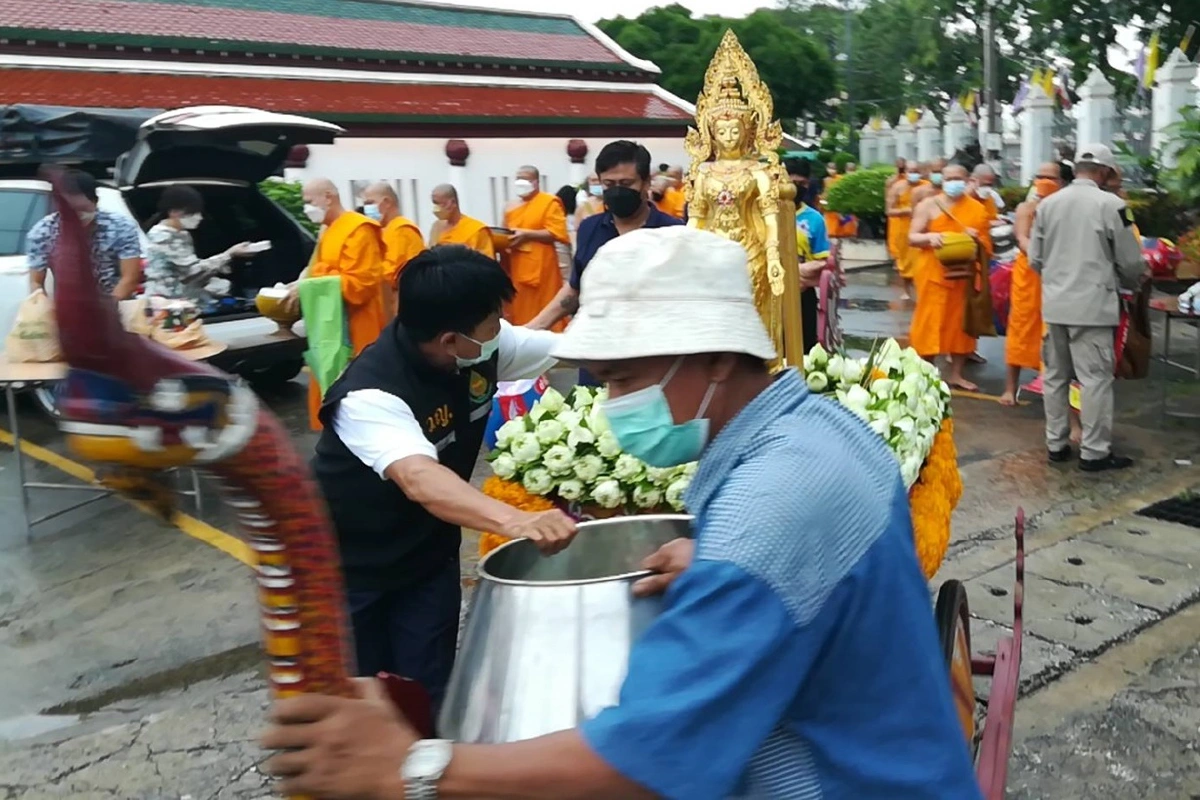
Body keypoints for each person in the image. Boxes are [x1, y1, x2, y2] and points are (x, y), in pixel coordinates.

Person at [262, 226, 982, 800]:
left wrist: (415, 769)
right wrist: (714, 555)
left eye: (625, 380)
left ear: (718, 359)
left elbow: (646, 764)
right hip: (361, 560)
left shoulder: (769, 512)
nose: (612, 408)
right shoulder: (820, 431)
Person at [309, 245, 577, 712]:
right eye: (492, 322)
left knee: (429, 693)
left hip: (426, 558)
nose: (501, 331)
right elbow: (419, 477)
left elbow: (569, 348)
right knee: (360, 702)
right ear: (451, 339)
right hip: (347, 569)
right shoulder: (370, 394)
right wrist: (516, 521)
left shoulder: (482, 350)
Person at [1030, 144, 1145, 471]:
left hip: (1055, 306)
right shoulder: (1114, 205)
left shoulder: (1048, 205)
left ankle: (1056, 444)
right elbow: (1131, 262)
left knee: (1055, 378)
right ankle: (1094, 452)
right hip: (1093, 308)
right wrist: (1129, 282)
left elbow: (1035, 259)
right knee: (1094, 380)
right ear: (1106, 172)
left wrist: (1057, 281)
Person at [526, 140, 682, 341]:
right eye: (609, 184)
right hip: (597, 344)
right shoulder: (590, 228)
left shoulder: (672, 232)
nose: (617, 191)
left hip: (652, 346)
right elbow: (577, 287)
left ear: (646, 183)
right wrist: (533, 328)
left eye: (626, 184)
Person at [288, 178, 388, 431]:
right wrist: (300, 285)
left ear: (328, 197)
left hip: (356, 329)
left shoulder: (359, 228)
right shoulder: (329, 230)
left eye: (309, 202)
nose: (306, 208)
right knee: (331, 398)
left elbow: (361, 284)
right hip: (328, 328)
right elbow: (315, 273)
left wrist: (311, 284)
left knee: (357, 402)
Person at [907, 162, 992, 392]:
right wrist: (931, 237)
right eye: (949, 178)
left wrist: (975, 238)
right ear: (942, 180)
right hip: (933, 273)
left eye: (958, 179)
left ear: (966, 182)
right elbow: (912, 237)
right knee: (930, 323)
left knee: (960, 326)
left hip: (963, 276)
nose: (953, 182)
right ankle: (926, 372)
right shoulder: (927, 205)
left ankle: (956, 375)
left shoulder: (977, 209)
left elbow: (987, 247)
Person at [1000, 161, 1066, 407]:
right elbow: (1021, 237)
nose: (1044, 181)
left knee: (1052, 330)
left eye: (1050, 177)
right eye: (1040, 176)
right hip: (1030, 272)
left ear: (1061, 182)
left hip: (1058, 274)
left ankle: (1050, 384)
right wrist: (1042, 256)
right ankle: (1010, 388)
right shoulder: (1026, 208)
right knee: (1021, 326)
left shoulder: (1066, 207)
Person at [27, 169, 142, 300]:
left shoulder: (120, 227)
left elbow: (130, 277)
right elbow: (36, 282)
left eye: (82, 209)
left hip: (117, 303)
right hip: (69, 306)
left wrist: (108, 309)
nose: (77, 216)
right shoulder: (43, 231)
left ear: (95, 202)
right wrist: (41, 303)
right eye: (70, 211)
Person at [144, 185, 253, 302]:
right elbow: (191, 273)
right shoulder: (162, 236)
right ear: (174, 212)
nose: (200, 218)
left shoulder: (182, 234)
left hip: (183, 299)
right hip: (166, 303)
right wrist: (229, 254)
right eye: (193, 213)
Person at [502, 166, 569, 328]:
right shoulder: (510, 207)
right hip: (517, 265)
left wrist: (528, 234)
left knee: (546, 303)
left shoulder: (548, 202)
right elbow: (504, 232)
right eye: (518, 179)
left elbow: (558, 233)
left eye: (525, 179)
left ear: (536, 182)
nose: (521, 183)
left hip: (543, 267)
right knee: (520, 305)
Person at [787, 157, 831, 353]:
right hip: (767, 296)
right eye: (791, 182)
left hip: (801, 295)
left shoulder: (814, 219)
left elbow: (822, 261)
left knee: (804, 351)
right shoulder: (762, 215)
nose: (796, 188)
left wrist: (796, 272)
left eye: (802, 184)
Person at [362, 181, 423, 319]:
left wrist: (364, 276)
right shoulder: (384, 230)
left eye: (370, 203)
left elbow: (390, 272)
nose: (367, 209)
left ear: (387, 202)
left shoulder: (403, 230)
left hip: (403, 307)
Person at [886, 160, 925, 300]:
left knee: (922, 260)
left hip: (922, 228)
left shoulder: (926, 187)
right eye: (910, 171)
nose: (913, 174)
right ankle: (906, 290)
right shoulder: (897, 187)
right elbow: (889, 210)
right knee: (905, 261)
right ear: (905, 172)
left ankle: (921, 289)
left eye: (916, 171)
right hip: (904, 229)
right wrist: (907, 210)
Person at [429, 185, 495, 258]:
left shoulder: (476, 230)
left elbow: (488, 264)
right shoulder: (436, 227)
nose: (436, 209)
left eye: (440, 204)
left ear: (453, 202)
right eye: (435, 204)